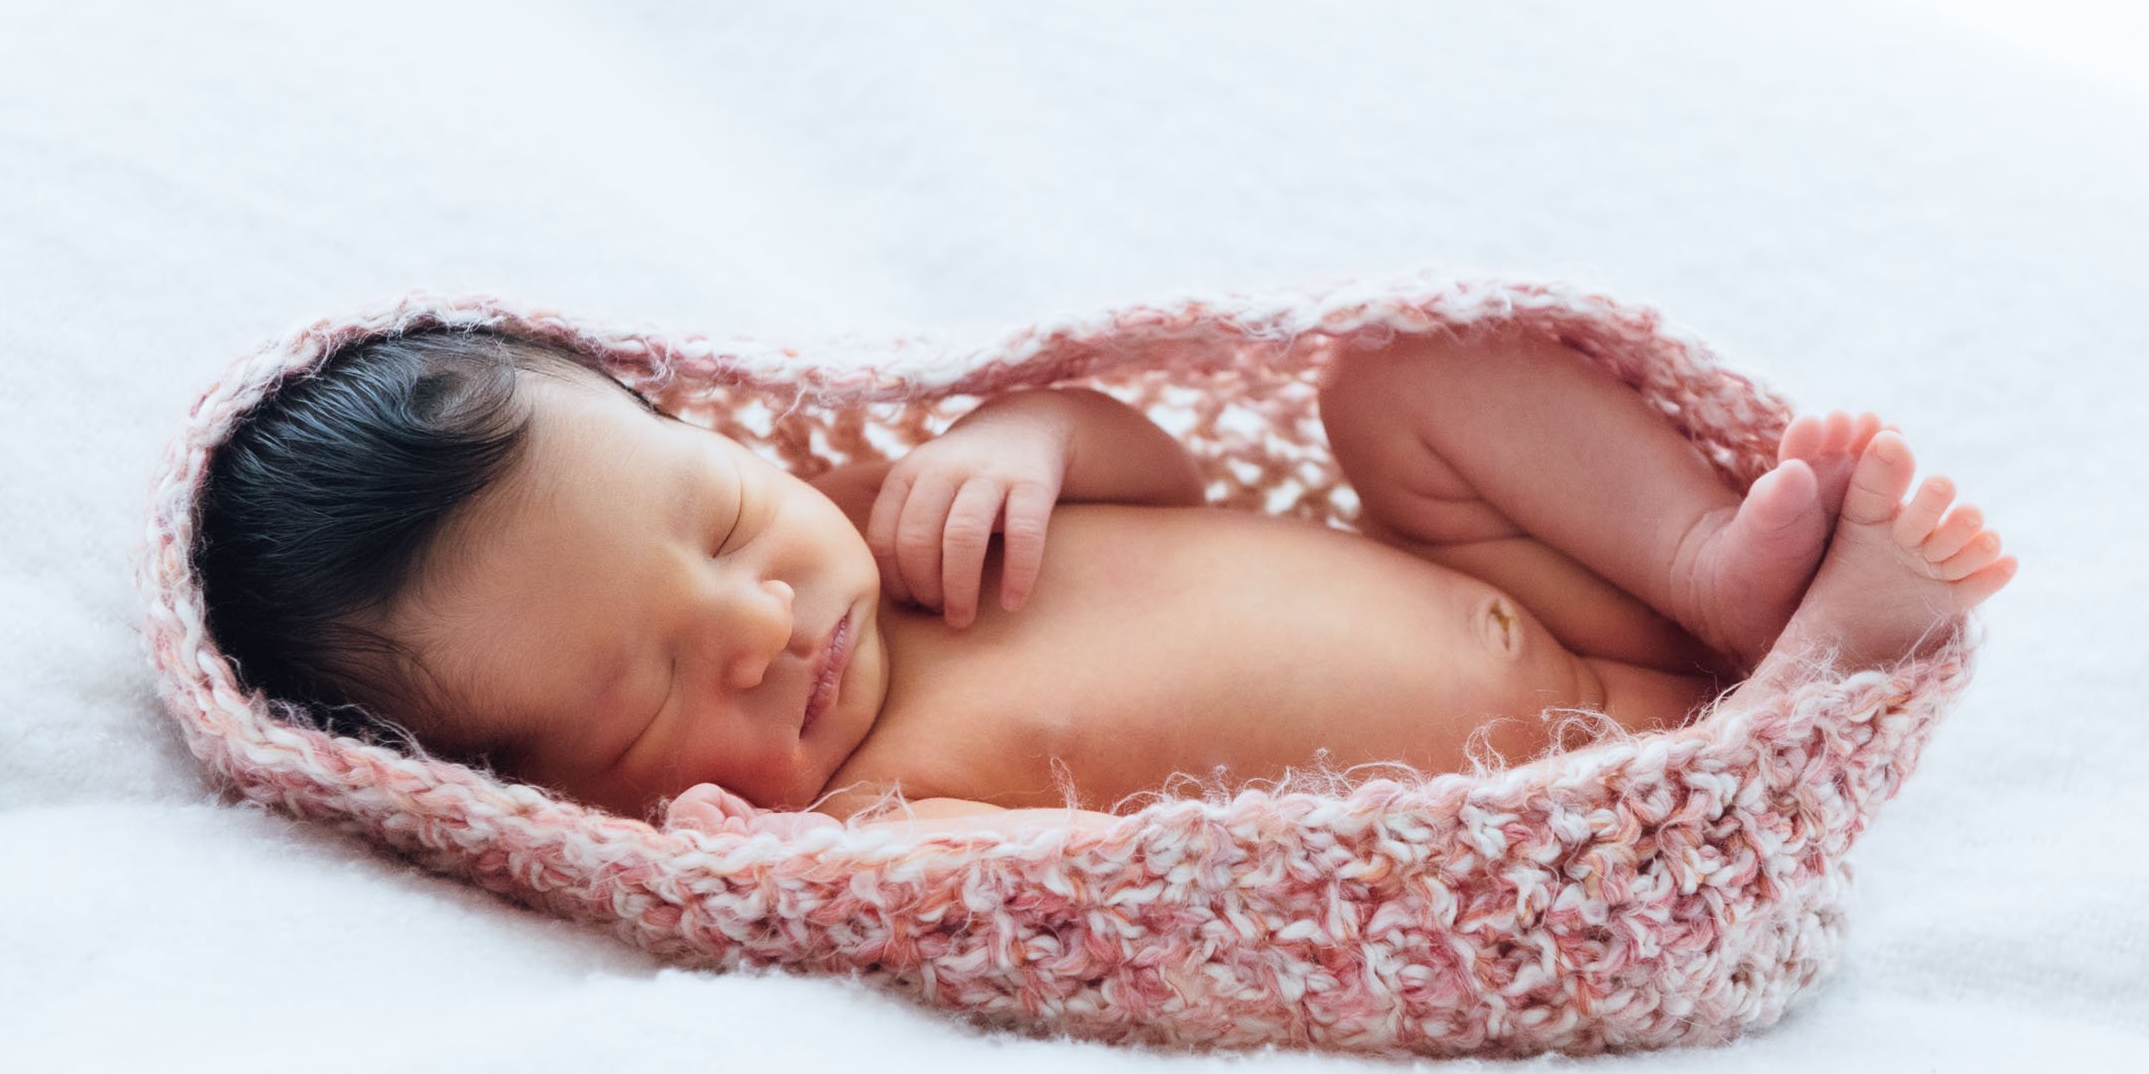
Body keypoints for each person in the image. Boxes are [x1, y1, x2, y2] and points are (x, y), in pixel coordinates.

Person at [194, 322, 2014, 838]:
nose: (761, 627)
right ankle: (1805, 693)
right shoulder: (864, 817)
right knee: (1648, 821)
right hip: (1549, 811)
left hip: (1557, 601)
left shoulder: (915, 528)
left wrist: (1040, 436)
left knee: (1395, 384)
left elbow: (1181, 466)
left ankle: (1709, 570)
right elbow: (1031, 914)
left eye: (729, 525)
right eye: (647, 689)